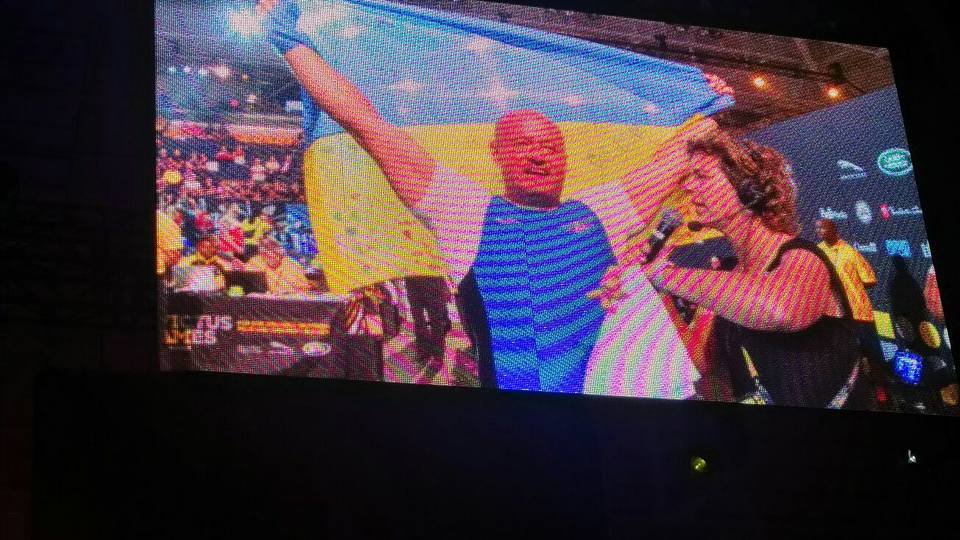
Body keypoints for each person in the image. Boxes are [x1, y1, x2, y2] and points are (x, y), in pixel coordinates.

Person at [258, 0, 700, 394]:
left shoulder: (604, 209)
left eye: (550, 146)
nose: (539, 156)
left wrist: (708, 101)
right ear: (496, 154)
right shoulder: (464, 211)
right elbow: (366, 123)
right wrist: (291, 44)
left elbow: (686, 149)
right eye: (522, 145)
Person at [640, 129, 872, 409]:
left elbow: (782, 309)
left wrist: (664, 275)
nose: (687, 187)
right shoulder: (728, 277)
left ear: (748, 190)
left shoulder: (802, 257)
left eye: (701, 176)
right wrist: (656, 288)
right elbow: (700, 363)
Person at [815, 218, 883, 382]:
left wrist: (850, 288)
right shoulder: (817, 252)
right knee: (846, 357)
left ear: (833, 230)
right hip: (836, 315)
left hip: (858, 311)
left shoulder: (849, 252)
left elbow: (869, 279)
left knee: (872, 352)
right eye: (817, 229)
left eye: (823, 228)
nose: (819, 231)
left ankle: (881, 385)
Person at [245, 235, 314, 295]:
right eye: (265, 248)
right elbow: (250, 290)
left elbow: (306, 289)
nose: (270, 253)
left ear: (281, 250)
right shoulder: (255, 263)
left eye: (273, 248)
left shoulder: (292, 264)